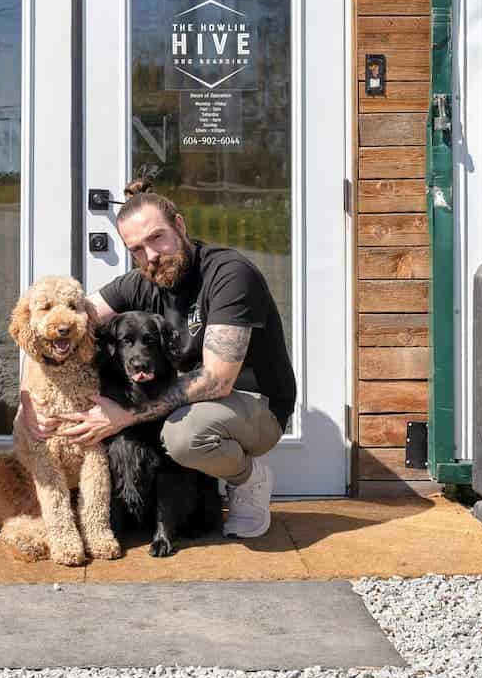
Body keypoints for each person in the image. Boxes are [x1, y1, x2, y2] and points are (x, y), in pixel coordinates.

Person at [16, 178, 295, 538]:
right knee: (162, 420)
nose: (150, 256)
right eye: (136, 249)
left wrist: (122, 415)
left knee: (184, 435)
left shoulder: (229, 275)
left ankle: (248, 478)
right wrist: (28, 398)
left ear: (180, 226)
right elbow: (65, 328)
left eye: (157, 238)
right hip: (188, 403)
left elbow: (217, 379)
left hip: (254, 406)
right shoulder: (140, 282)